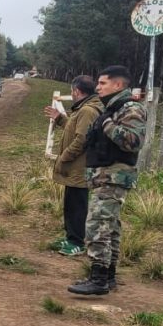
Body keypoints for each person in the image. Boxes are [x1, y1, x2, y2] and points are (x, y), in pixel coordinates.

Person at [68, 65, 146, 296]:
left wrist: (108, 125)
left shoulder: (130, 108)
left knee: (97, 225)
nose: (98, 87)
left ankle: (98, 279)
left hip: (114, 176)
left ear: (118, 85)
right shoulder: (110, 108)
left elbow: (133, 141)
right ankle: (108, 276)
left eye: (102, 83)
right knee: (109, 227)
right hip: (104, 176)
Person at [44, 76, 103, 256]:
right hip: (75, 169)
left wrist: (64, 157)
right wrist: (60, 119)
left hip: (79, 168)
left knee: (77, 206)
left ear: (77, 91)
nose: (71, 93)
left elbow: (82, 139)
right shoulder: (83, 109)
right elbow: (74, 128)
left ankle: (77, 242)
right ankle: (70, 237)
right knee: (71, 205)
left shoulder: (88, 110)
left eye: (72, 91)